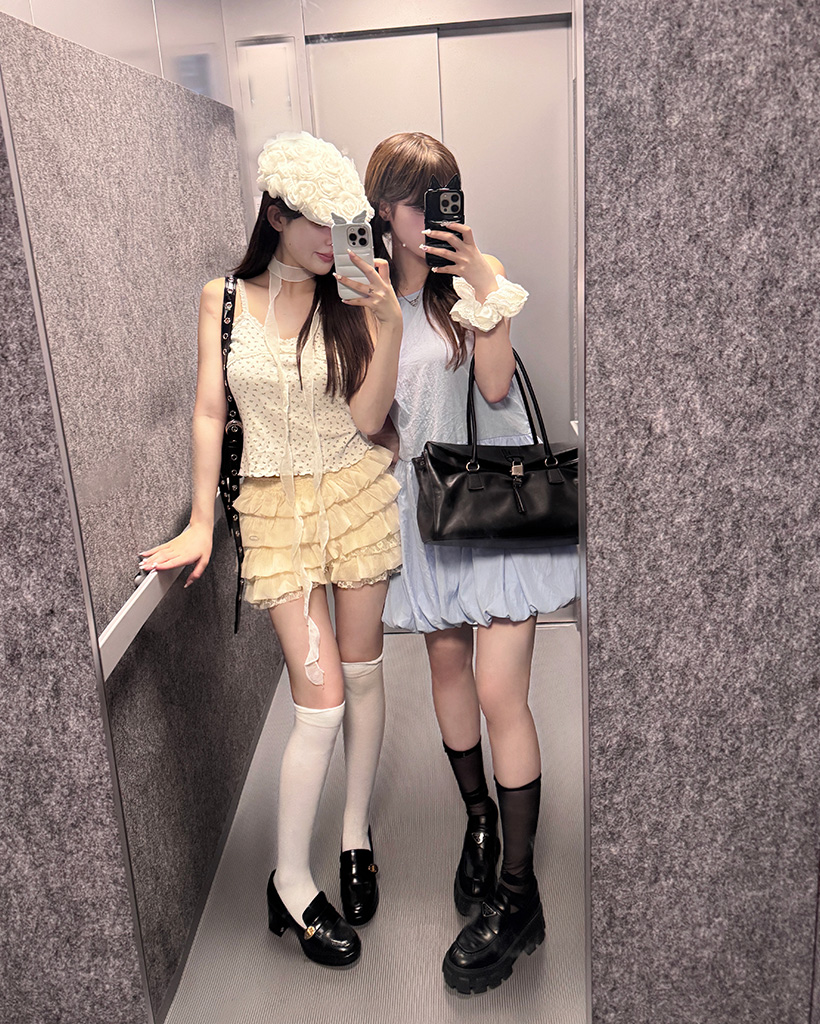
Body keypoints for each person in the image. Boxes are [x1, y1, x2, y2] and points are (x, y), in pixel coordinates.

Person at [140, 132, 403, 967]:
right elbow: (209, 410)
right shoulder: (222, 299)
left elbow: (369, 419)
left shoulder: (350, 297)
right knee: (319, 703)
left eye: (343, 223)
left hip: (352, 496)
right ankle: (290, 883)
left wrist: (388, 321)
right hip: (274, 512)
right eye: (318, 223)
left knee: (363, 675)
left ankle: (354, 832)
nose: (333, 240)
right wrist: (200, 522)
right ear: (277, 215)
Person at [364, 132, 579, 993]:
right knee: (448, 672)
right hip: (429, 516)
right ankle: (480, 821)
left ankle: (519, 898)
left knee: (500, 693)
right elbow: (373, 421)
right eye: (410, 199)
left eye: (439, 195)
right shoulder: (371, 300)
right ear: (383, 209)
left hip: (499, 511)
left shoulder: (482, 284)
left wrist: (482, 284)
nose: (425, 214)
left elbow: (494, 387)